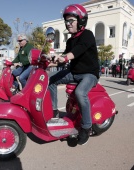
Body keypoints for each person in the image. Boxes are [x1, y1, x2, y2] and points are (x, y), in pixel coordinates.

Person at [48, 4, 99, 145]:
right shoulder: (70, 40)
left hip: (89, 74)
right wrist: (50, 62)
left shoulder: (87, 35)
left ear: (81, 20)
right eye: (66, 21)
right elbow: (65, 57)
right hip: (74, 72)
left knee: (80, 92)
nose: (68, 23)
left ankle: (86, 127)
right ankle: (54, 111)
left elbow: (78, 50)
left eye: (71, 20)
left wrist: (64, 57)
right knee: (51, 80)